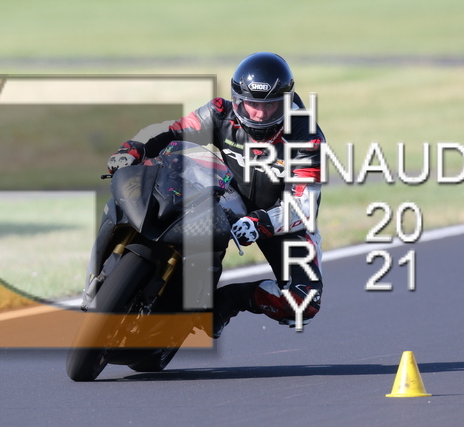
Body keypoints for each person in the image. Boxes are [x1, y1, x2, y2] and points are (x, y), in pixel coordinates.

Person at [107, 52, 326, 338]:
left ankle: (227, 302)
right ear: (238, 99)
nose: (260, 114)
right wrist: (133, 148)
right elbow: (172, 130)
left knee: (303, 302)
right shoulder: (220, 112)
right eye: (252, 104)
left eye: (270, 105)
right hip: (228, 193)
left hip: (279, 216)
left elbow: (304, 205)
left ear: (285, 102)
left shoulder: (307, 138)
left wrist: (260, 223)